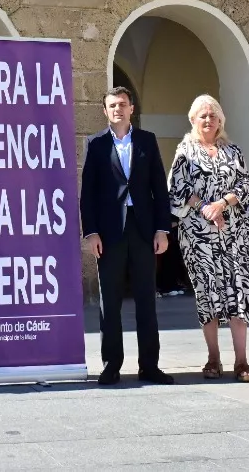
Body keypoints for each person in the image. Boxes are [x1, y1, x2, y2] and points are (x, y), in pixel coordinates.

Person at [167, 95, 249, 382]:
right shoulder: (185, 151)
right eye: (203, 115)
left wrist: (222, 204)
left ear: (220, 121)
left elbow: (245, 186)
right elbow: (177, 187)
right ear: (193, 120)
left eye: (213, 116)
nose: (209, 120)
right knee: (207, 293)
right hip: (198, 235)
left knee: (238, 291)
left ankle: (242, 361)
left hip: (235, 233)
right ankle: (213, 357)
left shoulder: (232, 150)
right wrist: (205, 208)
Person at [80, 88, 174, 386]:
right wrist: (91, 232)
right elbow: (88, 194)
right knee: (110, 300)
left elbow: (159, 188)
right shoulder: (95, 144)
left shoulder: (146, 141)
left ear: (131, 108)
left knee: (147, 298)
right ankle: (111, 364)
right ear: (105, 110)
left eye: (122, 104)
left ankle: (150, 365)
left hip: (143, 229)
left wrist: (163, 229)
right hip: (109, 232)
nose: (118, 109)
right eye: (112, 105)